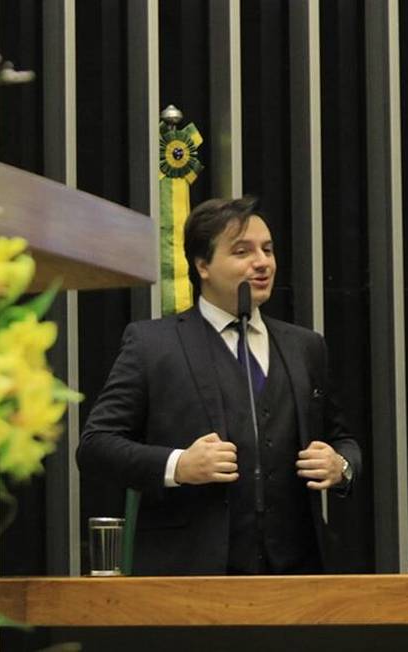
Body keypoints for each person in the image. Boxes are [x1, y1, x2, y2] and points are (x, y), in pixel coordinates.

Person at [76, 196, 361, 575]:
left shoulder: (305, 346)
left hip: (298, 572)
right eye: (242, 251)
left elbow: (343, 440)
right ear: (202, 265)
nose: (262, 263)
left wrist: (340, 465)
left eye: (268, 249)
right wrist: (179, 465)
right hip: (189, 571)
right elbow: (96, 446)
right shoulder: (152, 345)